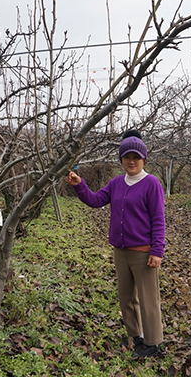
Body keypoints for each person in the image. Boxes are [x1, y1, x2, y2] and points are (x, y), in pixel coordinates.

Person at [66, 130, 165, 358]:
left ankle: (153, 343)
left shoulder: (152, 184)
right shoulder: (116, 183)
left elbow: (159, 220)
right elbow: (96, 200)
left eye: (136, 158)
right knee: (126, 296)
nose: (131, 162)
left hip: (143, 252)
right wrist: (79, 185)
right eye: (127, 157)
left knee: (149, 298)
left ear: (144, 160)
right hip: (120, 251)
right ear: (121, 160)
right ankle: (135, 335)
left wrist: (157, 250)